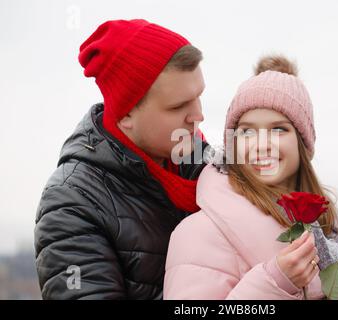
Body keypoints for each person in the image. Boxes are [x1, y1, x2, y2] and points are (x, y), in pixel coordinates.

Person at [164, 55, 338, 300]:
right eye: (248, 131)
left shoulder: (329, 233)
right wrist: (275, 282)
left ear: (302, 144)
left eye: (279, 129)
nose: (261, 144)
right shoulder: (199, 233)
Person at [34, 19, 208, 299]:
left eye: (199, 96)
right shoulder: (71, 204)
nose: (198, 116)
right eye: (178, 106)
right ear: (126, 114)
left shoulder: (208, 166)